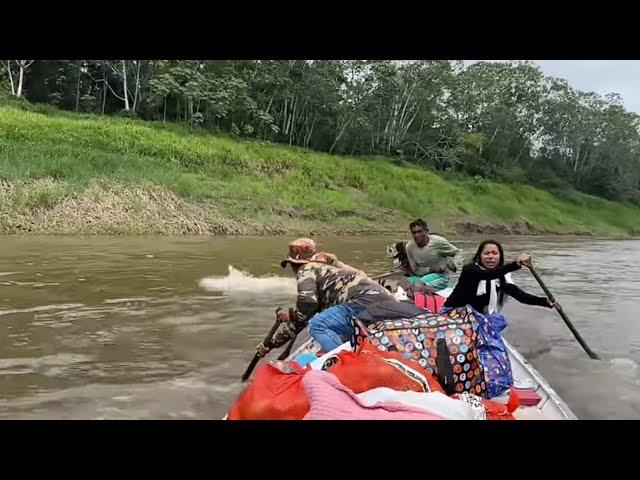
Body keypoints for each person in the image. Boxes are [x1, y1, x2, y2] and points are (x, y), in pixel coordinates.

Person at [256, 238, 394, 356]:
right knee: (328, 322)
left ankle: (346, 363)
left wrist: (291, 314)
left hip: (363, 301)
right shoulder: (328, 271)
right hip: (386, 300)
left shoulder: (307, 269)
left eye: (292, 265)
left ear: (296, 263)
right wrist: (271, 344)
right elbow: (302, 318)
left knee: (316, 325)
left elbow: (307, 303)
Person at [443, 239, 561, 314]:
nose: (490, 256)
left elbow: (522, 297)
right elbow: (487, 275)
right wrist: (515, 264)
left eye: (494, 253)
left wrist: (546, 302)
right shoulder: (470, 270)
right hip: (454, 313)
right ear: (479, 257)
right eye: (486, 253)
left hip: (477, 317)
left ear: (500, 257)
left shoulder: (502, 278)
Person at [402, 219, 462, 290]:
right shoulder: (409, 247)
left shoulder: (438, 242)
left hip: (441, 276)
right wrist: (430, 269)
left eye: (420, 231)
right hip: (422, 277)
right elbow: (416, 270)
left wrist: (454, 263)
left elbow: (458, 252)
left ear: (427, 231)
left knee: (417, 285)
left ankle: (440, 294)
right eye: (414, 233)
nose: (417, 235)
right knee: (402, 283)